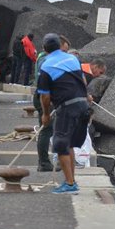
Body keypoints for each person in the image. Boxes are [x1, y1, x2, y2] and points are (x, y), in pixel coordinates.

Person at [36, 33, 90, 194]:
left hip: (67, 108)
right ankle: (72, 180)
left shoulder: (46, 66)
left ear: (45, 49)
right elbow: (83, 81)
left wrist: (45, 114)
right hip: (83, 106)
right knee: (70, 144)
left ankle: (70, 184)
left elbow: (44, 96)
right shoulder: (72, 59)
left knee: (60, 145)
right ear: (60, 45)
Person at [32, 35, 70, 173]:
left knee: (52, 129)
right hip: (44, 97)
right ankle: (43, 162)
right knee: (46, 130)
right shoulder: (45, 60)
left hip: (46, 96)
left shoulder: (44, 58)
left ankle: (50, 161)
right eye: (63, 51)